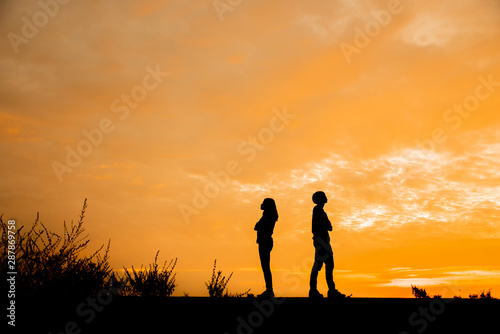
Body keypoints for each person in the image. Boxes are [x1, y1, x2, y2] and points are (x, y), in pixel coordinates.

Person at [309, 191, 345, 299]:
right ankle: (324, 291)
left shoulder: (320, 211)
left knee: (322, 265)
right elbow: (326, 226)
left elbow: (329, 227)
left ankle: (319, 290)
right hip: (322, 242)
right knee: (324, 265)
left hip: (322, 242)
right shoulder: (318, 210)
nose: (326, 198)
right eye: (324, 196)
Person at [254, 198, 278, 299]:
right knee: (265, 267)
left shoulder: (267, 217)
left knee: (266, 267)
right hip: (266, 241)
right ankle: (269, 290)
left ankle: (269, 290)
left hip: (265, 241)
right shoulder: (268, 216)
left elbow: (257, 226)